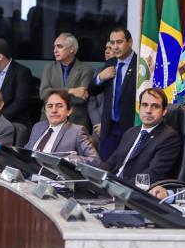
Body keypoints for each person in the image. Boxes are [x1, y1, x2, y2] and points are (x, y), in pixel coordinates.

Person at [101, 87, 181, 184]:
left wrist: (122, 187)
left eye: (155, 106)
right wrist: (95, 177)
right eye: (144, 105)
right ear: (139, 108)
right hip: (111, 185)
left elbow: (153, 175)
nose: (148, 110)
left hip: (132, 189)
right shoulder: (131, 132)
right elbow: (111, 163)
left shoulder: (169, 138)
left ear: (164, 111)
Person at [88, 27, 137, 160]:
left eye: (119, 42)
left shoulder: (140, 63)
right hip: (109, 127)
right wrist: (100, 78)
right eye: (112, 42)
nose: (115, 47)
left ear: (130, 42)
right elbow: (92, 91)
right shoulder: (110, 63)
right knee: (106, 165)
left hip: (131, 127)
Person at [26, 89, 100, 166]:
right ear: (45, 111)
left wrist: (68, 160)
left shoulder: (77, 131)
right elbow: (26, 151)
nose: (54, 110)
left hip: (52, 173)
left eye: (59, 106)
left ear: (69, 111)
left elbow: (95, 160)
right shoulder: (38, 127)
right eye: (50, 106)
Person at [39, 33, 94, 129]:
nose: (55, 50)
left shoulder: (86, 69)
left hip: (75, 121)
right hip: (49, 121)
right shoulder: (49, 68)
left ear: (71, 49)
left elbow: (81, 99)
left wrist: (53, 93)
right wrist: (71, 91)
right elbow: (43, 94)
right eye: (54, 46)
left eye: (59, 46)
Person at [88, 42, 115, 142]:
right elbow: (91, 102)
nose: (107, 51)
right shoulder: (98, 71)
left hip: (115, 128)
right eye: (106, 48)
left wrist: (106, 125)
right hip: (98, 128)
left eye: (111, 48)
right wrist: (98, 123)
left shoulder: (126, 72)